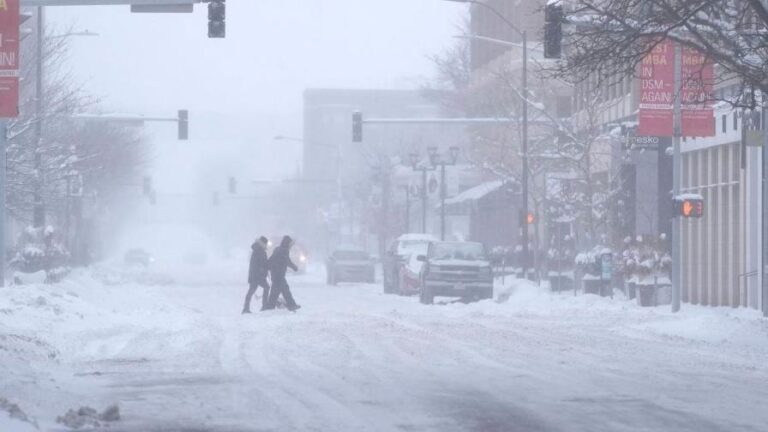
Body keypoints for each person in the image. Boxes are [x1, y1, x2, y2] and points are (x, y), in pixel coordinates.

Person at [265, 235, 301, 311]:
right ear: (287, 243)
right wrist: (294, 267)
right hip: (279, 274)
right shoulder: (284, 250)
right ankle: (292, 305)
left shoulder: (277, 249)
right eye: (290, 244)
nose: (291, 246)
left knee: (275, 291)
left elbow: (271, 260)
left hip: (275, 274)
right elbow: (287, 261)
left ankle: (270, 306)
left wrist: (267, 267)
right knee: (285, 290)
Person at [243, 236, 270, 314]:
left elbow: (259, 264)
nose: (266, 245)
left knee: (251, 291)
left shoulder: (257, 249)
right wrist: (265, 269)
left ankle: (246, 308)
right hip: (258, 276)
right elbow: (262, 264)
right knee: (266, 287)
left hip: (255, 275)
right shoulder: (260, 251)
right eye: (266, 244)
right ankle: (264, 306)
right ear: (263, 243)